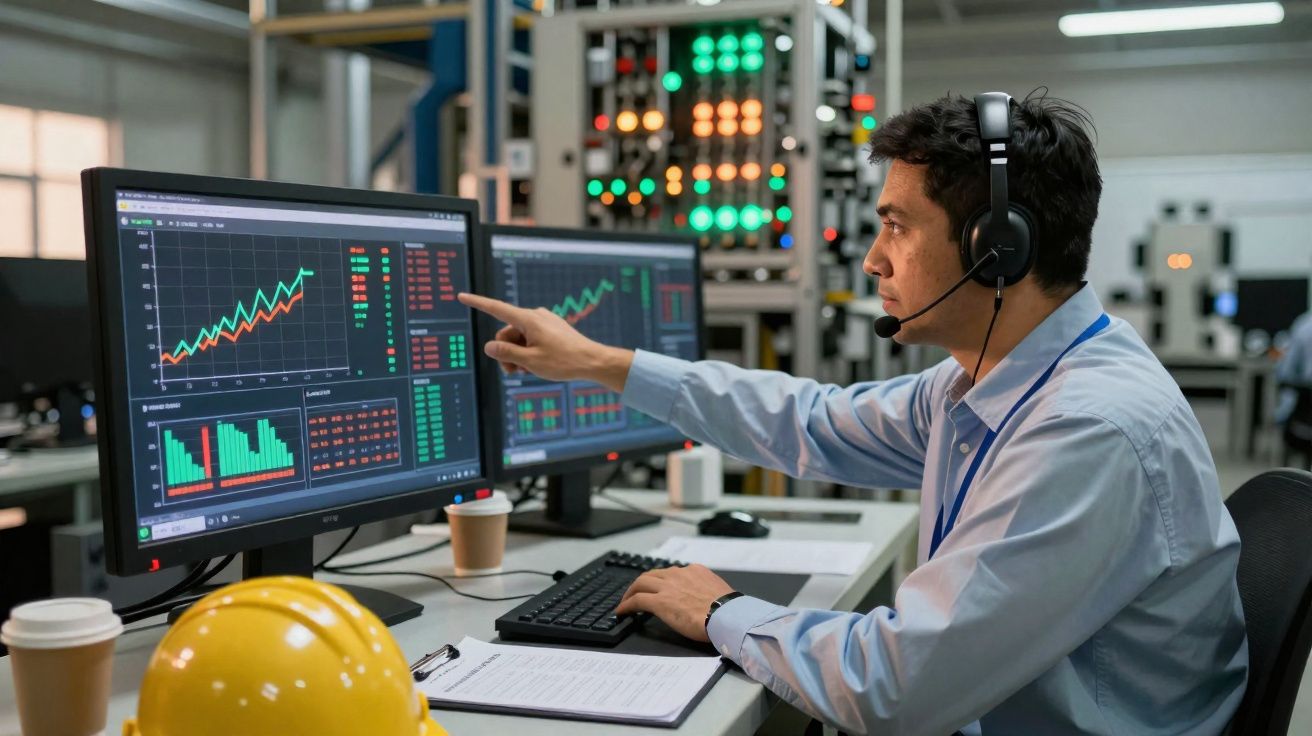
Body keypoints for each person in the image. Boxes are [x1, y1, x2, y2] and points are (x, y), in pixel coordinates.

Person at [458, 91, 1248, 735]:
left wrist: (726, 611)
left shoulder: (1085, 428)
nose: (873, 258)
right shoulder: (996, 380)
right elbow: (814, 422)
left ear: (995, 248)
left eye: (896, 226)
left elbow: (896, 688)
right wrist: (597, 362)